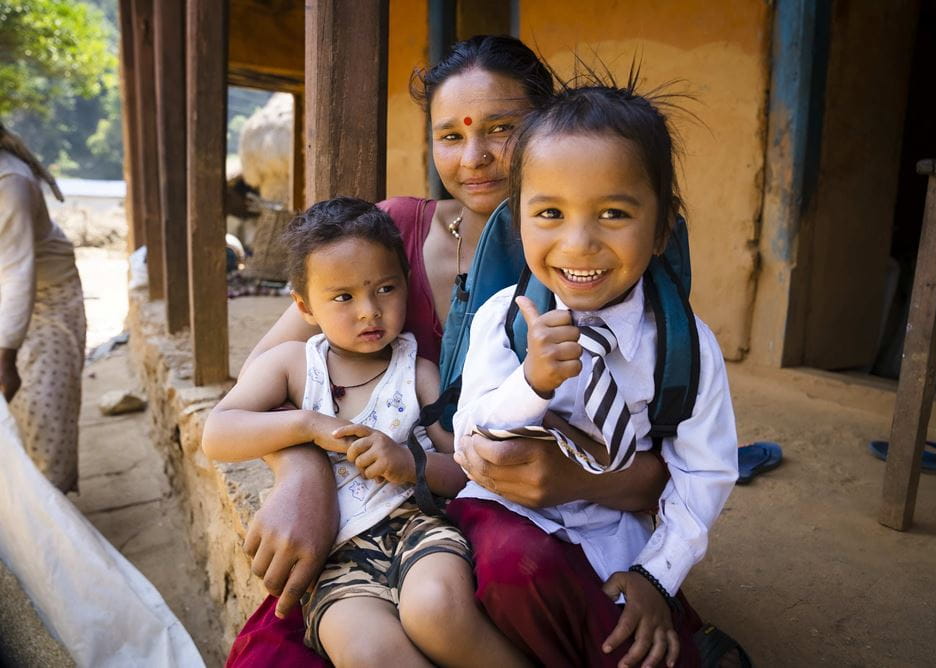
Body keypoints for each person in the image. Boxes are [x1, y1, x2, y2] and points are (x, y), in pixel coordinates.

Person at [226, 36, 695, 667]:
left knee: (514, 573)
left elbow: (671, 461)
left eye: (502, 129)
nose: (474, 157)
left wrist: (569, 480)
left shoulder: (602, 266)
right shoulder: (389, 234)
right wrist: (305, 473)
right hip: (377, 520)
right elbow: (264, 380)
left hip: (536, 529)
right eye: (450, 135)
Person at [451, 81, 739, 667]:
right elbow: (469, 436)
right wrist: (530, 384)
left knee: (636, 631)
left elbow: (704, 472)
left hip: (616, 530)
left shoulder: (686, 346)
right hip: (506, 513)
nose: (579, 244)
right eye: (550, 213)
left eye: (613, 213)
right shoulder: (504, 320)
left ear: (662, 228)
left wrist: (657, 576)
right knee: (516, 570)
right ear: (518, 222)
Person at [203, 197, 527, 666]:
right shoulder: (292, 366)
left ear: (407, 284)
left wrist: (409, 463)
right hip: (336, 555)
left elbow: (465, 471)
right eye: (343, 297)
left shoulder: (417, 372)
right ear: (304, 306)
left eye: (385, 289)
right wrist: (308, 424)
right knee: (368, 652)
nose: (369, 311)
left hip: (418, 527)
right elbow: (217, 433)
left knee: (438, 608)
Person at [0, 122, 86, 493]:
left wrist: (5, 357)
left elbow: (17, 272)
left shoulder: (9, 182)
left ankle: (53, 508)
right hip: (9, 295)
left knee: (44, 408)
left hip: (49, 299)